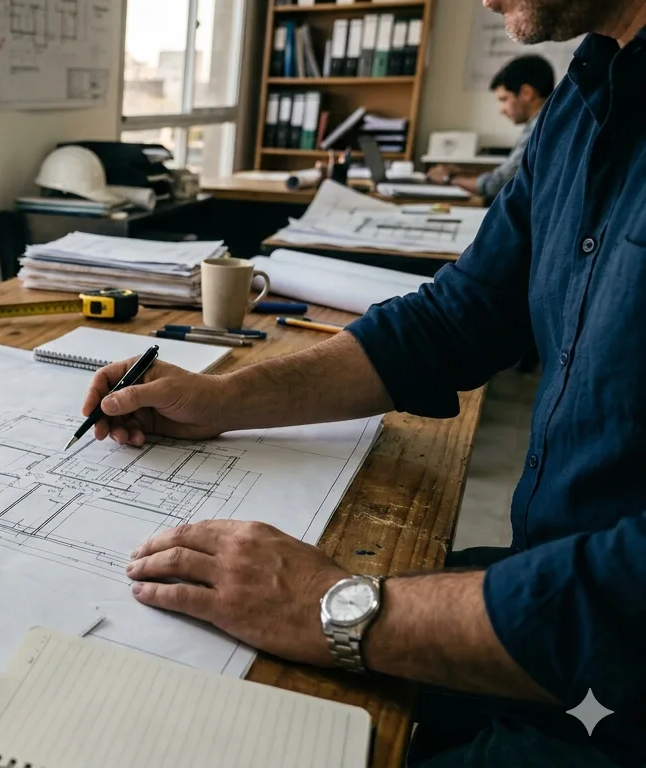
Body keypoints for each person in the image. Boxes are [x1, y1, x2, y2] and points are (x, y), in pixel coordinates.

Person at [82, 3, 646, 765]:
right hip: (553, 604)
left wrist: (334, 609)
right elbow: (460, 318)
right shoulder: (588, 91)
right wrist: (221, 398)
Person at [426, 55, 555, 200]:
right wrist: (462, 172)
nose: (501, 110)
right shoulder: (546, 121)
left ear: (527, 93)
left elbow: (499, 185)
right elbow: (505, 174)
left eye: (504, 99)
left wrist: (448, 179)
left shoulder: (540, 128)